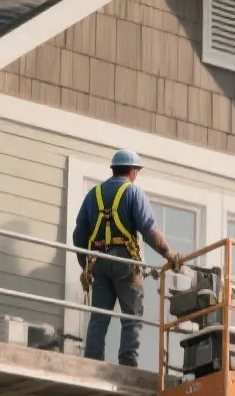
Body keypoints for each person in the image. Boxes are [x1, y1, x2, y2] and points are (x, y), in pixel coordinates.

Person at [71, 149, 182, 367]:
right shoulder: (133, 193)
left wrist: (84, 266)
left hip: (98, 263)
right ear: (132, 171)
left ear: (113, 169)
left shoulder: (93, 195)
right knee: (132, 315)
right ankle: (128, 362)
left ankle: (92, 361)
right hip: (125, 263)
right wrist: (170, 254)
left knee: (99, 317)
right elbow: (150, 232)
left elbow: (78, 235)